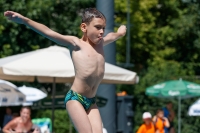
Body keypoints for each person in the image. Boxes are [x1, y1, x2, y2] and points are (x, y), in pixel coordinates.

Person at [4, 8, 126, 133]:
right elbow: (48, 32)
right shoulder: (75, 44)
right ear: (84, 27)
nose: (101, 32)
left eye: (103, 28)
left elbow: (111, 36)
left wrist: (120, 33)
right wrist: (24, 20)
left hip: (91, 101)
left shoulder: (101, 44)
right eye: (97, 27)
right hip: (75, 99)